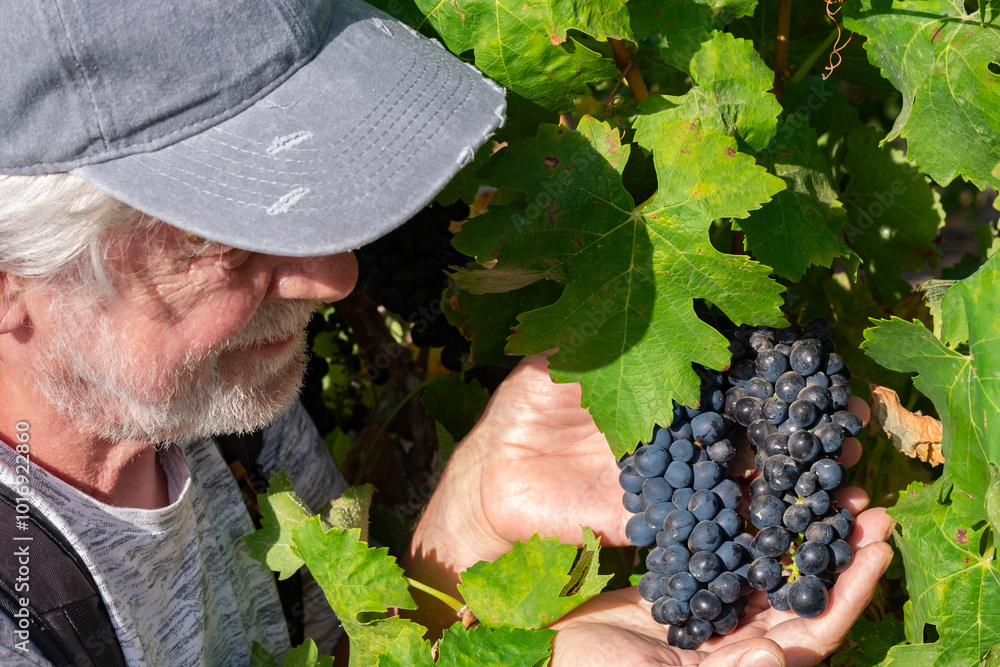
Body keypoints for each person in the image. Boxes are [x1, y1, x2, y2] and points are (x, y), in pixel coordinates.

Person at [0, 0, 891, 665]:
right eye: (231, 239)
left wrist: (466, 521)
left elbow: (346, 654)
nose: (336, 275)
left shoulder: (216, 412)